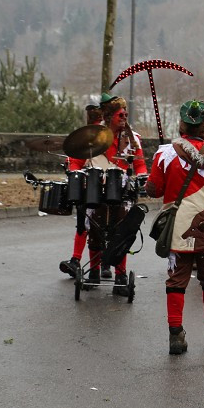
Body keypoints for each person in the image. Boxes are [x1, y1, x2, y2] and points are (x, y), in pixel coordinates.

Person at [145, 100, 204, 354]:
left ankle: (176, 335)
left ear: (182, 125)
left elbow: (155, 189)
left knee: (177, 280)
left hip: (178, 226)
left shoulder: (165, 154)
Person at [66, 94, 147, 294]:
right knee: (94, 230)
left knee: (122, 231)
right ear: (109, 115)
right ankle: (93, 272)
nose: (125, 116)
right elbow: (75, 160)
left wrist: (143, 176)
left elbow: (140, 164)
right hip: (95, 188)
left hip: (122, 192)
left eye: (126, 113)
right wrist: (76, 172)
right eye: (121, 113)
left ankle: (120, 275)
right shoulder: (91, 136)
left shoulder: (133, 139)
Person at [59, 102, 104, 279]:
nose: (92, 118)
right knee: (83, 223)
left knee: (97, 226)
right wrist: (74, 170)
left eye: (95, 115)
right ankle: (76, 260)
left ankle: (103, 263)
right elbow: (75, 160)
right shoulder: (83, 137)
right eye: (90, 115)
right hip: (87, 186)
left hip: (106, 185)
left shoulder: (109, 136)